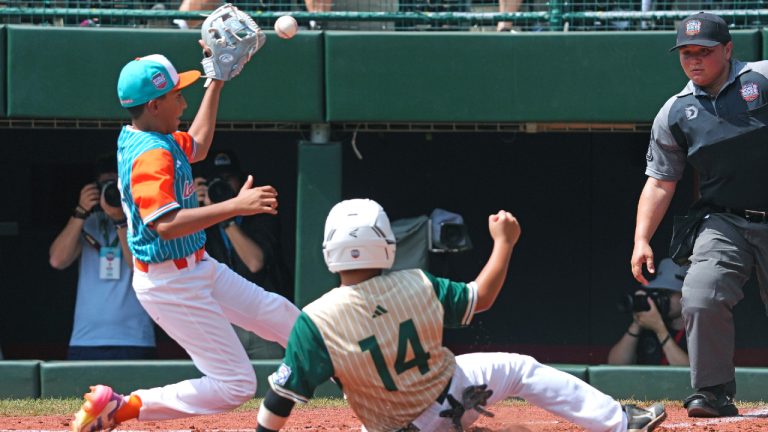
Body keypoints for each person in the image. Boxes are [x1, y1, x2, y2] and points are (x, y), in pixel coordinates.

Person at [257, 198, 667, 432]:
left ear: (330, 250)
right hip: (455, 396)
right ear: (386, 243)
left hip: (398, 427)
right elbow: (481, 298)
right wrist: (504, 243)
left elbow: (281, 399)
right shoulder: (416, 283)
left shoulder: (315, 320)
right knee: (521, 369)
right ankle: (620, 424)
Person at [69, 51, 300, 432]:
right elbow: (167, 224)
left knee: (282, 315)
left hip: (196, 266)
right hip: (171, 284)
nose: (184, 101)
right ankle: (123, 407)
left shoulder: (152, 133)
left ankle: (353, 379)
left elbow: (199, 144)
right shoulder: (150, 154)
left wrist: (217, 81)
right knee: (236, 384)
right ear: (155, 104)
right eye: (177, 94)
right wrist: (235, 206)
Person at [631, 12, 768, 418]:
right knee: (700, 295)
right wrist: (641, 239)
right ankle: (712, 391)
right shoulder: (674, 111)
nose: (694, 60)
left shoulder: (761, 80)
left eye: (704, 52)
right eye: (686, 53)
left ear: (727, 49)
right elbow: (660, 182)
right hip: (725, 220)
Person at [49, 154, 156, 360]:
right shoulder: (87, 221)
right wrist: (80, 211)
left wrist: (120, 220)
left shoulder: (143, 221)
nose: (111, 191)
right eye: (104, 185)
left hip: (134, 337)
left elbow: (139, 267)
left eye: (114, 185)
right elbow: (57, 260)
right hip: (86, 338)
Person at [194, 150, 290, 359]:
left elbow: (255, 263)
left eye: (229, 179)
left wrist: (225, 217)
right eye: (216, 181)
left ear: (242, 181)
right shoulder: (198, 218)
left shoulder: (261, 212)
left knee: (269, 387)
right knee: (225, 388)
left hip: (262, 321)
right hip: (220, 323)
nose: (223, 186)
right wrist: (191, 208)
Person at [608, 258, 689, 366]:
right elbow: (615, 365)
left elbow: (688, 374)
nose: (663, 297)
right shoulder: (649, 325)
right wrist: (637, 323)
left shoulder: (700, 329)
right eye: (659, 292)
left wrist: (660, 330)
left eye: (669, 292)